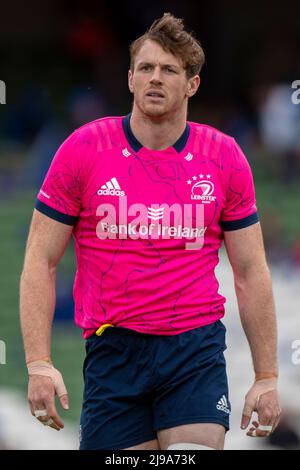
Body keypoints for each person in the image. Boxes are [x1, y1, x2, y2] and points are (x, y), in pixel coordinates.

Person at [20, 13, 281, 450]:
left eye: (169, 70)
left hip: (193, 348)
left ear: (191, 85)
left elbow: (251, 271)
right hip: (114, 351)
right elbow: (40, 261)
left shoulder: (224, 156)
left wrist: (267, 376)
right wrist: (39, 363)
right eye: (146, 68)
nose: (155, 79)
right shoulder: (83, 149)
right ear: (129, 78)